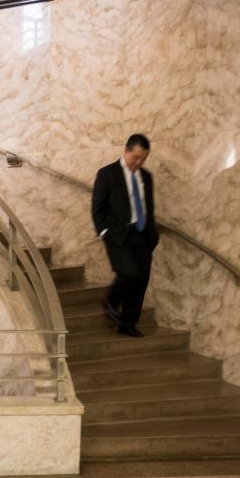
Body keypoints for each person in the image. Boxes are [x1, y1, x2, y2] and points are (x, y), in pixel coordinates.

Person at [90, 134, 159, 337]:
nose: (139, 162)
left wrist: (153, 234)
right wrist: (104, 232)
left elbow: (149, 207)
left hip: (143, 234)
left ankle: (127, 323)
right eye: (136, 157)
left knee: (141, 280)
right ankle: (111, 301)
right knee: (129, 272)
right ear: (126, 151)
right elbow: (97, 209)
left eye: (143, 159)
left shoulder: (146, 176)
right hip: (119, 235)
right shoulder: (107, 174)